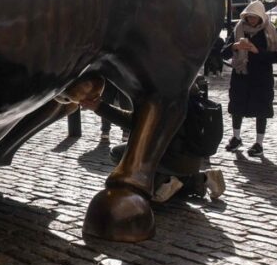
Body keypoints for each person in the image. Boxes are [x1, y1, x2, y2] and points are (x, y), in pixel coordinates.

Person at [81, 77, 225, 202]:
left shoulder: (164, 91)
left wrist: (99, 107)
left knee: (118, 154)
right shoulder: (189, 85)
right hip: (192, 160)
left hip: (171, 159)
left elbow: (136, 122)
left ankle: (180, 181)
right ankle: (183, 180)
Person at [222, 0, 277, 157]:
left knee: (261, 109)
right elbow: (223, 52)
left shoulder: (270, 31)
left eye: (254, 17)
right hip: (241, 75)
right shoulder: (238, 29)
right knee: (237, 107)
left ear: (260, 17)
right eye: (248, 17)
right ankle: (236, 137)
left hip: (261, 77)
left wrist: (256, 51)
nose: (251, 20)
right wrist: (234, 47)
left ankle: (259, 143)